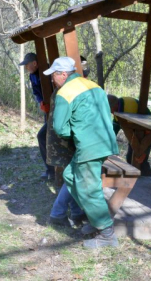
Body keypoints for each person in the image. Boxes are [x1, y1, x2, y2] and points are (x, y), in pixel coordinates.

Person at [46, 56, 119, 248]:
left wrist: (76, 132)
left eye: (53, 75)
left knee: (89, 188)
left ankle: (106, 232)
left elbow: (60, 128)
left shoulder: (65, 92)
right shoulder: (93, 85)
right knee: (70, 175)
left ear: (62, 74)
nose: (52, 79)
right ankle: (97, 221)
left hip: (89, 146)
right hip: (105, 142)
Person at [20, 52, 54, 180]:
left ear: (34, 63)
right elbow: (36, 91)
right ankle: (50, 171)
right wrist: (41, 102)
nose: (26, 68)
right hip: (47, 111)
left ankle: (55, 171)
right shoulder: (32, 76)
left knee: (43, 136)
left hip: (57, 111)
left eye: (27, 65)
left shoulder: (49, 71)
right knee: (45, 137)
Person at [107, 95, 151, 176]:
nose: (110, 112)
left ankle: (150, 178)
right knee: (130, 158)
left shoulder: (128, 108)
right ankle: (145, 178)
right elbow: (115, 127)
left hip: (148, 131)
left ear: (115, 105)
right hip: (135, 134)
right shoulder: (119, 108)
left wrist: (145, 151)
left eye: (109, 109)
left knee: (140, 159)